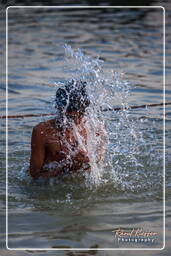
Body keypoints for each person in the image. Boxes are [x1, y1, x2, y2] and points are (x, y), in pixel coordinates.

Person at [29, 80, 96, 180]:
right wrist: (67, 166)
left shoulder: (92, 128)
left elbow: (96, 165)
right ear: (58, 109)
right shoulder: (42, 132)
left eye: (81, 115)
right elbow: (35, 177)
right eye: (70, 118)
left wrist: (88, 162)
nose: (76, 121)